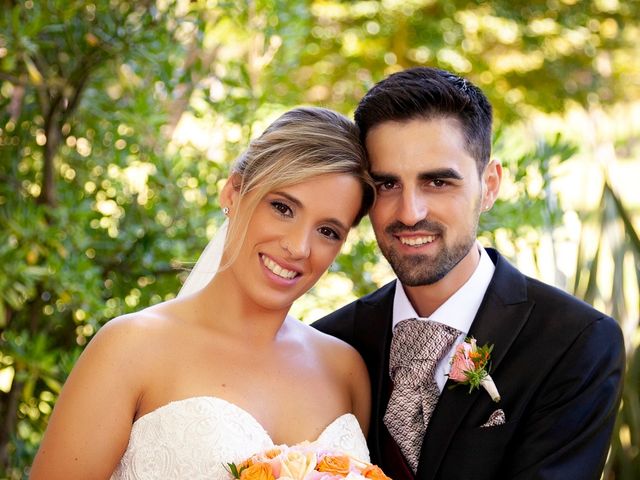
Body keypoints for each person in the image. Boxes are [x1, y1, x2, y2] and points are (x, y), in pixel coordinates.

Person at [30, 107, 377, 479]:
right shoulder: (129, 348)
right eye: (282, 208)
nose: (298, 247)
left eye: (328, 231)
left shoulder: (345, 372)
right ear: (232, 191)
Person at [313, 67, 625, 480]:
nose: (410, 213)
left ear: (489, 184)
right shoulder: (329, 345)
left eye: (438, 182)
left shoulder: (575, 343)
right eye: (387, 185)